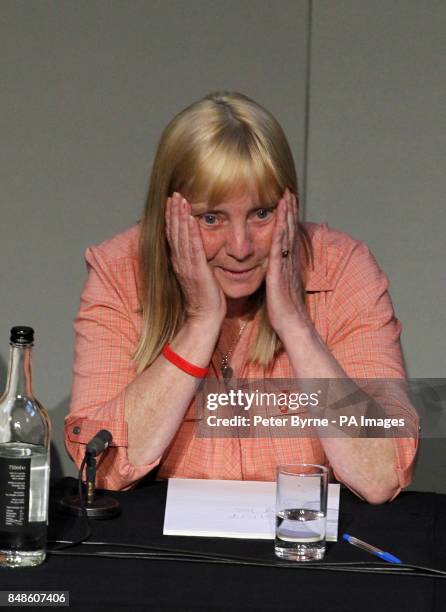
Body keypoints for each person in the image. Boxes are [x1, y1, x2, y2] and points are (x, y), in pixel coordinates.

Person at [64, 91, 418, 503]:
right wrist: (200, 323)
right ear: (168, 215)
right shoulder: (121, 270)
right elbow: (101, 467)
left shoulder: (344, 269)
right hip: (168, 552)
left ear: (291, 203)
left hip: (304, 547)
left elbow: (380, 475)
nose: (241, 246)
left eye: (261, 214)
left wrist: (295, 325)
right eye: (211, 218)